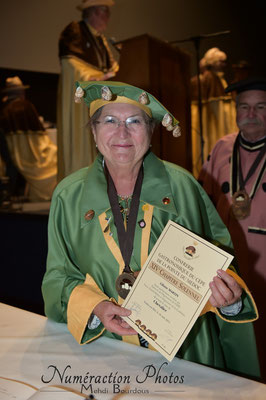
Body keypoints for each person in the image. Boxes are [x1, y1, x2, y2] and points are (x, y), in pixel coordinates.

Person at [42, 80, 260, 380]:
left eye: (135, 121)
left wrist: (230, 299)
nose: (122, 132)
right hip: (107, 354)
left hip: (187, 352)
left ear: (151, 131)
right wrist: (94, 307)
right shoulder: (68, 196)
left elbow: (221, 261)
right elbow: (58, 277)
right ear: (93, 132)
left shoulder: (183, 187)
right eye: (109, 121)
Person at [198, 77, 266, 382]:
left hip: (263, 262)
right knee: (233, 326)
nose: (250, 113)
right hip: (227, 260)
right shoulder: (222, 146)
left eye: (260, 106)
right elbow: (201, 201)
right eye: (244, 106)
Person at [57, 0, 119, 181]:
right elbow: (71, 65)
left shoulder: (101, 39)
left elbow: (112, 68)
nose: (108, 16)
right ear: (93, 12)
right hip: (83, 98)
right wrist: (95, 77)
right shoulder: (74, 31)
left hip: (101, 99)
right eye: (105, 11)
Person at [0, 76, 57, 202]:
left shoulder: (4, 109)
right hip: (31, 152)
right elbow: (38, 136)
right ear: (21, 93)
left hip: (11, 152)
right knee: (54, 158)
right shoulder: (26, 106)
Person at [191, 47, 237, 177]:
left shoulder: (218, 78)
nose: (224, 65)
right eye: (221, 61)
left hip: (216, 120)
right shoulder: (210, 78)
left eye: (224, 62)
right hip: (213, 122)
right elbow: (215, 106)